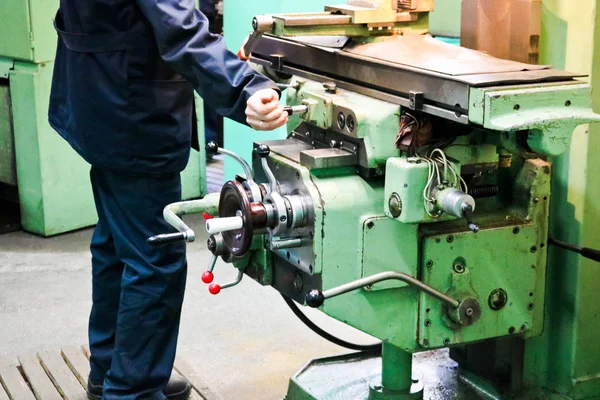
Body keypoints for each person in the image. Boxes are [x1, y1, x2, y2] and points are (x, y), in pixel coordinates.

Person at [48, 0, 287, 399]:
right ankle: (133, 390)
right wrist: (245, 87)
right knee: (154, 260)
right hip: (132, 113)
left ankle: (111, 373)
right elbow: (179, 29)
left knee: (115, 246)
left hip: (97, 97)